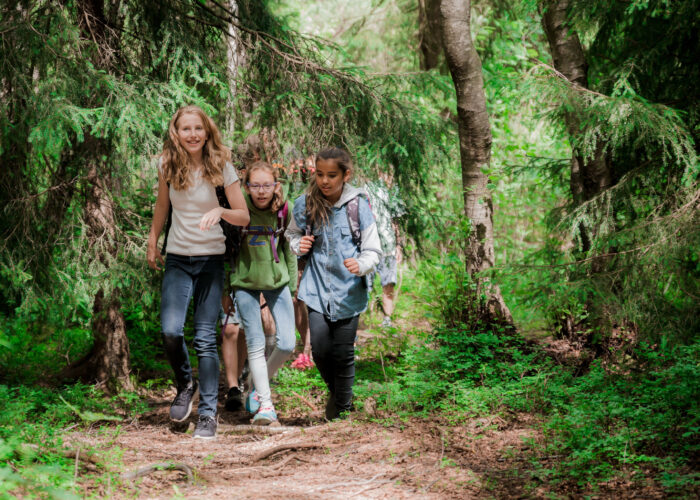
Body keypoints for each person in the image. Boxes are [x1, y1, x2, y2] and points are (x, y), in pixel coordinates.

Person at [147, 105, 249, 440]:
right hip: (177, 257)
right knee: (171, 331)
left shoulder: (222, 166)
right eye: (185, 129)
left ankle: (208, 414)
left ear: (207, 131)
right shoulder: (167, 164)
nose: (192, 134)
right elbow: (163, 205)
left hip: (210, 261)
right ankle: (184, 384)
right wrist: (152, 241)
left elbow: (244, 216)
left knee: (206, 339)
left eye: (198, 128)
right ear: (176, 132)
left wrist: (220, 210)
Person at [285, 147, 381, 420]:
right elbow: (292, 234)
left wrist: (361, 265)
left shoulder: (358, 206)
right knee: (320, 351)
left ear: (346, 175)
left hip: (348, 290)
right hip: (315, 288)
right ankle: (339, 396)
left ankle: (341, 410)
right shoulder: (304, 204)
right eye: (320, 174)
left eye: (332, 175)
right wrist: (297, 244)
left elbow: (373, 250)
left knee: (343, 352)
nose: (325, 181)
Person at [231, 160, 297, 425]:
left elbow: (290, 248)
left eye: (266, 185)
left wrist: (292, 287)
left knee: (288, 343)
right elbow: (229, 249)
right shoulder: (239, 209)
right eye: (255, 185)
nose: (261, 191)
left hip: (277, 282)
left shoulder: (284, 210)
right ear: (246, 187)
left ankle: (257, 386)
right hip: (245, 282)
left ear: (275, 185)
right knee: (256, 344)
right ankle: (266, 407)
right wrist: (228, 287)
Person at [365, 170, 405, 327]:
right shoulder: (364, 188)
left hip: (388, 247)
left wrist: (398, 245)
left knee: (388, 284)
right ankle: (360, 321)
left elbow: (396, 221)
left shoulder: (393, 190)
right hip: (367, 247)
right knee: (364, 286)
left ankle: (387, 319)